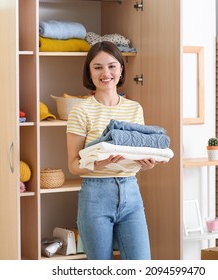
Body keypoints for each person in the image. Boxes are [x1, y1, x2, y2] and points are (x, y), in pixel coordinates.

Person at [66, 41, 159, 260]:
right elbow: (72, 165)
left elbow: (135, 156)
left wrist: (146, 164)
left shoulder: (134, 109)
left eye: (112, 66)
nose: (105, 73)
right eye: (97, 67)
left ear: (121, 69)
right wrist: (94, 164)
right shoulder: (80, 111)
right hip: (96, 196)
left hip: (131, 193)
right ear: (89, 72)